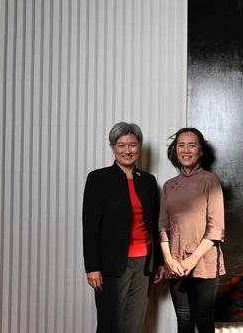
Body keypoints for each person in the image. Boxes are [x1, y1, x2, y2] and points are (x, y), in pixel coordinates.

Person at [82, 122, 165, 333]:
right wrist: (92, 266)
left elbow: (155, 224)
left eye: (132, 145)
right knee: (110, 324)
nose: (127, 150)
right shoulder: (98, 179)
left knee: (134, 324)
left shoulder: (148, 181)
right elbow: (90, 226)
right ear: (112, 148)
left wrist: (160, 263)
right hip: (112, 265)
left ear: (140, 147)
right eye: (121, 145)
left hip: (144, 264)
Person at [159, 128, 226, 333]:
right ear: (175, 150)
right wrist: (169, 260)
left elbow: (216, 228)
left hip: (203, 261)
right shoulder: (169, 185)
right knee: (184, 320)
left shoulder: (210, 180)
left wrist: (192, 259)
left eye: (192, 145)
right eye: (181, 145)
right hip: (176, 263)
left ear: (201, 151)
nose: (186, 150)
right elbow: (163, 225)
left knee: (204, 321)